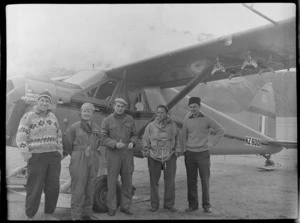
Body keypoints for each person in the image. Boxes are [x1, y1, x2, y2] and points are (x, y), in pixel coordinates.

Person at [16, 90, 63, 220]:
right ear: (38, 101)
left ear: (49, 103)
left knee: (53, 187)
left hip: (53, 157)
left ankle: (48, 214)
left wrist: (59, 151)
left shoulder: (53, 117)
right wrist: (26, 154)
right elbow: (21, 136)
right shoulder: (28, 116)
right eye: (42, 100)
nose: (44, 103)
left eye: (47, 101)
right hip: (36, 157)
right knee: (34, 188)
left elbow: (59, 134)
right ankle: (30, 215)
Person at [182, 97, 224, 213]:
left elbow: (221, 130)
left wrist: (212, 143)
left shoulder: (207, 119)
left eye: (195, 107)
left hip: (203, 154)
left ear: (200, 107)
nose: (193, 109)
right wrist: (185, 149)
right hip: (190, 154)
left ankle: (207, 205)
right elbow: (184, 136)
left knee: (204, 180)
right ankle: (193, 205)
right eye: (190, 107)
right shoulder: (187, 120)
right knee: (191, 181)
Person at [62, 103, 101, 220]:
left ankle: (87, 214)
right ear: (81, 112)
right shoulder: (74, 127)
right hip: (78, 158)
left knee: (90, 188)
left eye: (89, 111)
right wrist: (77, 154)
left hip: (93, 158)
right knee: (78, 189)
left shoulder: (97, 128)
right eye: (84, 111)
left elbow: (99, 142)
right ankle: (75, 216)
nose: (86, 113)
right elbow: (67, 144)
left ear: (93, 114)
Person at [100, 98, 138, 216]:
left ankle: (125, 206)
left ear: (125, 108)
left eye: (122, 106)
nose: (120, 108)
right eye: (118, 106)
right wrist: (115, 144)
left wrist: (132, 142)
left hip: (127, 153)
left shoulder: (130, 119)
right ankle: (111, 206)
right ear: (114, 106)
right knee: (111, 181)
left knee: (127, 180)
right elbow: (103, 138)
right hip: (113, 153)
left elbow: (135, 134)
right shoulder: (107, 120)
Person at [142, 105, 183, 212]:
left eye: (162, 113)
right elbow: (145, 139)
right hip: (154, 157)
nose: (159, 115)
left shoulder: (173, 126)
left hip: (169, 157)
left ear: (166, 114)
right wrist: (146, 151)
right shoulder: (150, 126)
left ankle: (169, 204)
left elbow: (178, 138)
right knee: (153, 182)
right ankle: (154, 205)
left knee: (170, 182)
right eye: (158, 112)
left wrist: (177, 151)